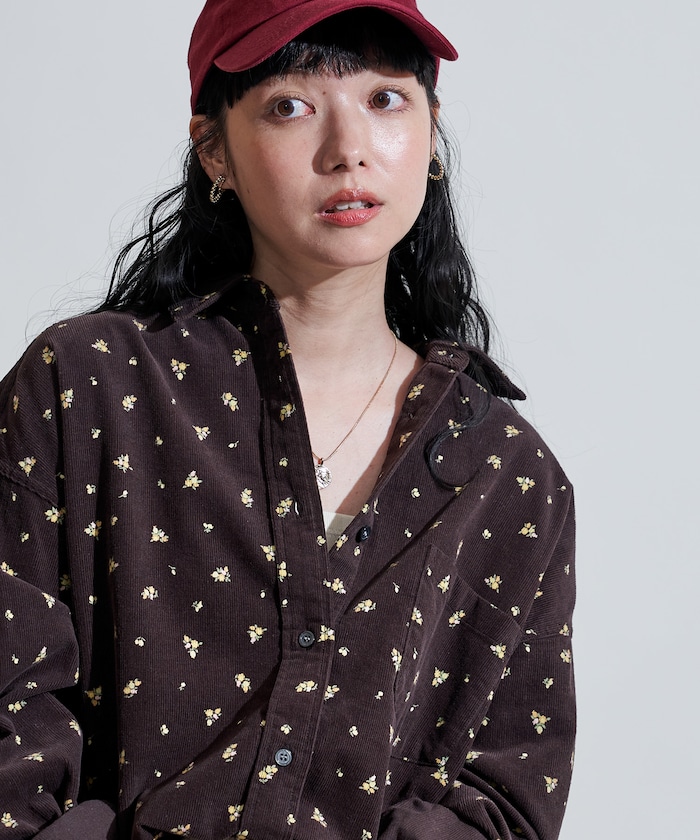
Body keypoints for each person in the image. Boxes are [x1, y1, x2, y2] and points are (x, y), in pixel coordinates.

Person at [0, 1, 576, 838]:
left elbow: (506, 793)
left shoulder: (508, 473)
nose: (348, 149)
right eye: (291, 105)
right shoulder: (87, 386)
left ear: (431, 132)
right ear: (214, 152)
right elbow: (11, 717)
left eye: (385, 99)